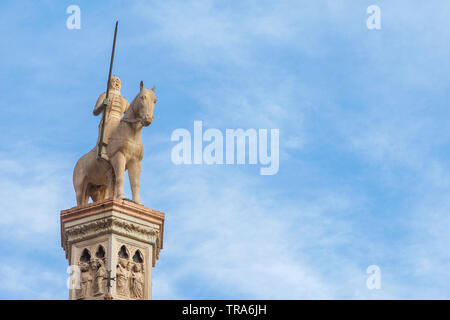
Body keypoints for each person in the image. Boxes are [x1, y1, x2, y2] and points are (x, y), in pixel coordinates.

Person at [93, 76, 130, 160]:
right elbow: (95, 111)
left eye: (118, 82)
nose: (117, 83)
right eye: (114, 82)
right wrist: (103, 105)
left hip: (120, 122)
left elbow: (130, 113)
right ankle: (102, 149)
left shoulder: (124, 100)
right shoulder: (104, 95)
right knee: (111, 122)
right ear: (109, 84)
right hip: (108, 119)